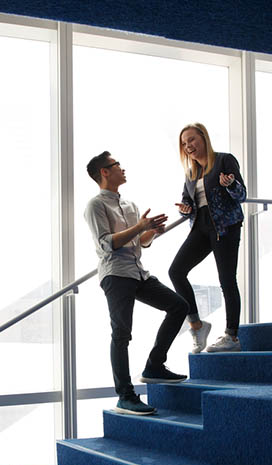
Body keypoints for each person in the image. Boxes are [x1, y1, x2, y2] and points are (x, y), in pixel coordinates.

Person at [84, 151, 189, 416]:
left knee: (178, 306)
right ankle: (125, 396)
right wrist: (140, 227)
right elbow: (107, 243)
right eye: (117, 165)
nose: (122, 168)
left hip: (138, 272)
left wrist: (150, 232)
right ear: (105, 172)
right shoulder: (95, 205)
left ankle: (154, 366)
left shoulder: (130, 205)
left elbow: (139, 242)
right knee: (121, 334)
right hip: (116, 274)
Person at [169, 123, 247, 353]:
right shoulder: (191, 172)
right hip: (201, 227)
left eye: (191, 140)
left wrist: (231, 184)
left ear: (203, 138)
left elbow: (241, 195)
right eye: (184, 144)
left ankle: (232, 336)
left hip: (225, 227)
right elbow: (188, 202)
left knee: (226, 280)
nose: (189, 146)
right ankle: (197, 324)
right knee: (176, 271)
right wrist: (184, 208)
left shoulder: (224, 160)